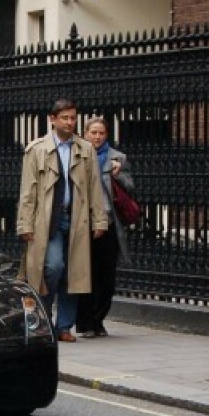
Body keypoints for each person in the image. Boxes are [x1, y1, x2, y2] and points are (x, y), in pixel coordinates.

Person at [16, 98, 109, 342]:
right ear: (53, 119)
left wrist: (100, 220)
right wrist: (24, 224)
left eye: (73, 118)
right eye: (65, 118)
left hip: (77, 218)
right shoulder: (36, 149)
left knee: (74, 272)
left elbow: (94, 188)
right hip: (47, 220)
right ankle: (44, 318)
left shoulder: (85, 149)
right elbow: (27, 191)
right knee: (52, 267)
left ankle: (64, 326)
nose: (70, 122)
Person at [76, 117, 133, 337]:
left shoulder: (118, 158)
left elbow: (131, 188)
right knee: (85, 275)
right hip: (84, 223)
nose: (97, 137)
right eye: (93, 133)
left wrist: (118, 175)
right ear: (86, 134)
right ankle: (86, 323)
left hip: (109, 223)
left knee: (106, 277)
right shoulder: (78, 156)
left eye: (101, 133)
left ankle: (98, 320)